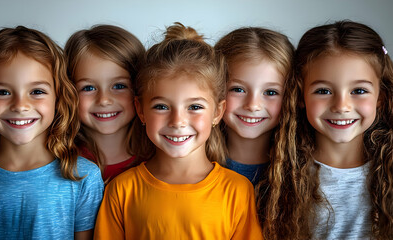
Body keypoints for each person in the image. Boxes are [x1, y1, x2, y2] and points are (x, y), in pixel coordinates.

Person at [94, 22, 263, 239]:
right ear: (141, 110)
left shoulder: (237, 190)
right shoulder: (121, 190)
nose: (177, 121)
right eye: (162, 107)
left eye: (194, 107)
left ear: (217, 112)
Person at [0, 26, 104, 240]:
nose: (20, 105)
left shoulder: (83, 176)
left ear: (59, 97)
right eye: (2, 92)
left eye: (37, 92)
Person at [259, 20, 393, 240]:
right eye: (323, 91)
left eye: (359, 90)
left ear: (382, 97)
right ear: (300, 96)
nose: (341, 106)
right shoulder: (280, 177)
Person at [65, 25, 145, 182]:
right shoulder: (62, 160)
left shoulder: (159, 156)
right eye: (88, 88)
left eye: (119, 86)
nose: (103, 100)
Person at [215, 27, 294, 185]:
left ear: (291, 97)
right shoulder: (194, 165)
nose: (253, 105)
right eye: (238, 89)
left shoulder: (299, 173)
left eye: (271, 92)